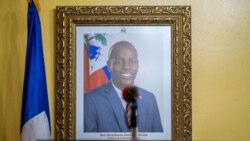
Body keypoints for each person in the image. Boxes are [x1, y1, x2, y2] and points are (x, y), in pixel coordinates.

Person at [84, 41, 163, 132]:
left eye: (132, 61)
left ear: (137, 65)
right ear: (109, 66)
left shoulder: (149, 98)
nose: (126, 66)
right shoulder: (91, 100)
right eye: (119, 61)